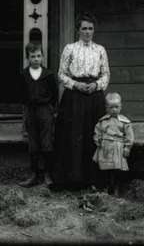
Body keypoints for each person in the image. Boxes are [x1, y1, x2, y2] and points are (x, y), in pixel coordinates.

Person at [53, 12, 110, 189]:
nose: (87, 32)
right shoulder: (70, 48)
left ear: (94, 31)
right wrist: (76, 85)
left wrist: (97, 85)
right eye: (84, 28)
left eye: (90, 28)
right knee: (73, 135)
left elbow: (106, 73)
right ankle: (72, 180)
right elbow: (61, 74)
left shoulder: (100, 50)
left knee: (93, 134)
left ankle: (94, 179)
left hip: (94, 95)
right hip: (74, 96)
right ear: (78, 30)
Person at [18, 43, 58, 188]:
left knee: (46, 141)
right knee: (33, 143)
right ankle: (34, 174)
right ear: (28, 58)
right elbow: (21, 95)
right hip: (30, 111)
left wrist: (50, 110)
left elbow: (54, 95)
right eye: (32, 56)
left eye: (38, 56)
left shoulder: (48, 75)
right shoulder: (23, 74)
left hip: (45, 111)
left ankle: (47, 174)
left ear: (42, 56)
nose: (36, 59)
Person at [93, 93, 134, 196]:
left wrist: (127, 147)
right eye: (111, 107)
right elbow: (97, 131)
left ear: (121, 107)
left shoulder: (124, 122)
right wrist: (97, 140)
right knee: (105, 169)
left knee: (117, 170)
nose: (114, 110)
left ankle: (118, 189)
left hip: (118, 147)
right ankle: (105, 188)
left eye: (116, 107)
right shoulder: (103, 121)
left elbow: (129, 136)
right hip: (105, 148)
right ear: (106, 108)